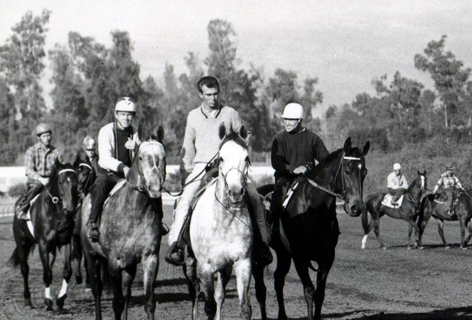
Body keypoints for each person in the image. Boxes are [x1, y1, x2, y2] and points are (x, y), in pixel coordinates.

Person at [165, 75, 267, 265]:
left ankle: (262, 244)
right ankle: (176, 244)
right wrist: (188, 171)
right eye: (209, 94)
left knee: (254, 197)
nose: (213, 98)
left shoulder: (230, 113)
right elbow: (188, 144)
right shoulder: (193, 116)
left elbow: (244, 135)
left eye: (216, 94)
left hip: (229, 166)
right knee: (185, 199)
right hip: (201, 166)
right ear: (200, 95)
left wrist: (243, 139)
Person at [86, 97, 141, 245]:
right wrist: (123, 168)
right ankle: (92, 222)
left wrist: (136, 147)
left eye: (129, 114)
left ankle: (157, 221)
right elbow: (104, 158)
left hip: (131, 176)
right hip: (111, 175)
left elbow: (144, 154)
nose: (126, 118)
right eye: (123, 114)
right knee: (100, 184)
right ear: (116, 115)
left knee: (150, 188)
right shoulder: (106, 131)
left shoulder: (136, 132)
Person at [268, 102, 328, 224]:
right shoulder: (279, 139)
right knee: (279, 194)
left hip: (308, 180)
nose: (286, 122)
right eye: (285, 119)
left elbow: (325, 160)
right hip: (285, 179)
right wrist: (294, 170)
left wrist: (314, 172)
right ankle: (272, 225)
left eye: (291, 119)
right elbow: (276, 162)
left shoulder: (313, 138)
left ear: (300, 120)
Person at [16, 123, 60, 221]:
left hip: (51, 181)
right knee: (37, 186)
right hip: (36, 180)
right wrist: (41, 179)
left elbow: (59, 168)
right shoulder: (31, 151)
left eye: (49, 135)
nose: (47, 138)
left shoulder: (56, 152)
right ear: (39, 138)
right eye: (44, 136)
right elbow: (28, 170)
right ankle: (22, 209)